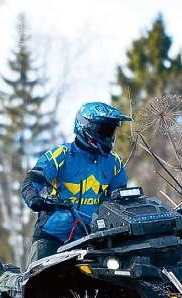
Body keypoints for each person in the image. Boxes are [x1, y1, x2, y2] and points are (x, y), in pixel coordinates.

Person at [20, 101, 132, 264]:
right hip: (53, 235)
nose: (108, 137)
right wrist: (34, 199)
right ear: (85, 127)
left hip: (94, 239)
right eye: (104, 131)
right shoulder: (62, 154)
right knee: (38, 285)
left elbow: (121, 200)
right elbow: (31, 180)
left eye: (111, 132)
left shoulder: (114, 163)